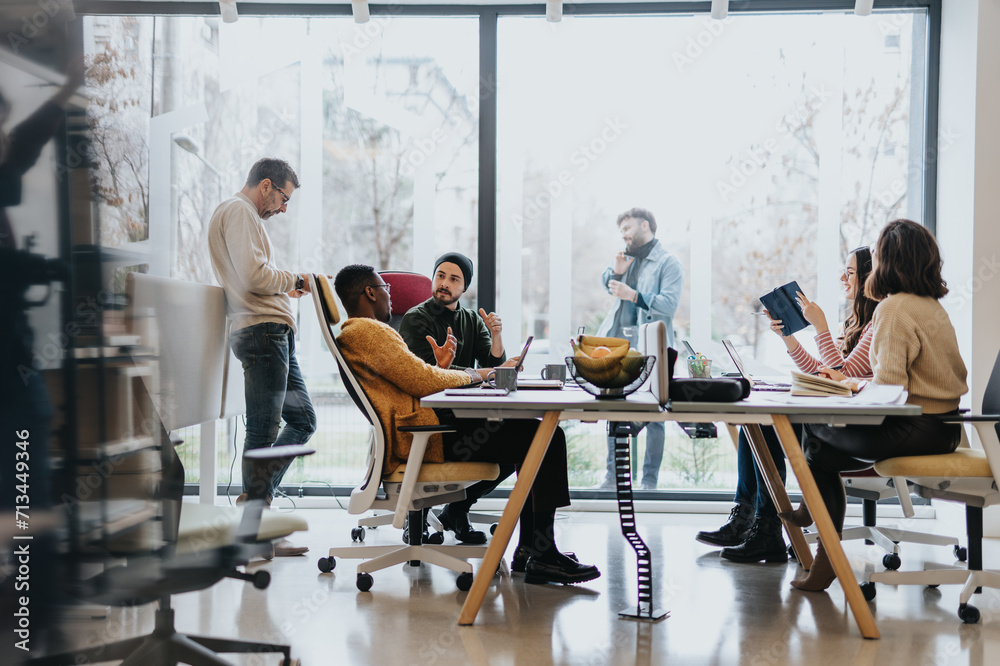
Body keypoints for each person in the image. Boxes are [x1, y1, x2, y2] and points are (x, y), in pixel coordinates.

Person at [333, 264, 600, 585]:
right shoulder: (369, 331)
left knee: (535, 432)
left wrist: (447, 371)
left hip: (421, 432)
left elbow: (417, 378)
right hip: (424, 437)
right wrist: (480, 374)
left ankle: (532, 550)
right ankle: (540, 553)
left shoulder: (361, 332)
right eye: (384, 288)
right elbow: (422, 380)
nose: (390, 294)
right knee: (545, 436)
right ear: (370, 292)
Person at [783, 219, 968, 592]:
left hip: (914, 428)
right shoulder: (930, 306)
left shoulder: (893, 309)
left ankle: (825, 554)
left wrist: (849, 384)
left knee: (812, 432)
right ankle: (824, 552)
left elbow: (890, 391)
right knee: (822, 452)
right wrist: (852, 382)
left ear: (889, 263)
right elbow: (900, 382)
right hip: (945, 428)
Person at [696, 247, 877, 564]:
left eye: (850, 272)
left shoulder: (877, 324)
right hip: (838, 416)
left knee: (764, 423)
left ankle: (764, 528)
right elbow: (823, 373)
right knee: (757, 421)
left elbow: (840, 376)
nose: (842, 278)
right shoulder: (857, 322)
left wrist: (820, 327)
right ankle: (749, 519)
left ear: (869, 277)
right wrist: (789, 339)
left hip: (851, 426)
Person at [208, 158, 317, 557]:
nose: (283, 208)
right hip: (263, 333)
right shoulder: (239, 211)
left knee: (303, 420)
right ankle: (253, 529)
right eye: (283, 198)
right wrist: (295, 280)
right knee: (262, 434)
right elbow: (255, 276)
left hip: (273, 333)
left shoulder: (242, 215)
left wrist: (285, 286)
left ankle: (256, 517)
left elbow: (254, 274)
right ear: (266, 185)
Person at [398, 252, 514, 544]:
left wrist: (496, 337)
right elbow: (422, 375)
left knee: (519, 445)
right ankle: (418, 517)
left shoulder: (472, 319)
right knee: (518, 441)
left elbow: (493, 364)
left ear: (464, 288)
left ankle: (457, 509)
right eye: (440, 275)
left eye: (454, 279)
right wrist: (445, 368)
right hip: (427, 420)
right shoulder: (415, 319)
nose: (444, 283)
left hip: (464, 414)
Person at [596, 208, 684, 490]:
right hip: (620, 348)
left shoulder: (669, 263)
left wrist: (633, 295)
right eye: (620, 229)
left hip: (654, 349)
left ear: (645, 225)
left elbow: (669, 305)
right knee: (615, 412)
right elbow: (606, 282)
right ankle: (614, 479)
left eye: (627, 227)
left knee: (654, 416)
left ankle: (649, 484)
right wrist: (616, 272)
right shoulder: (625, 259)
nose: (623, 233)